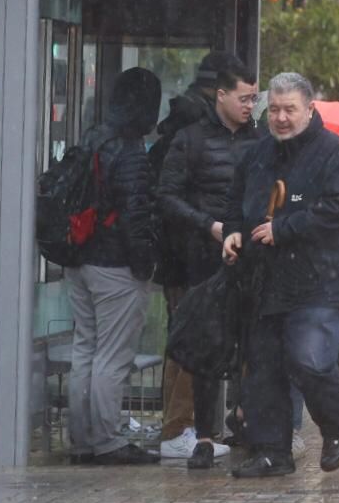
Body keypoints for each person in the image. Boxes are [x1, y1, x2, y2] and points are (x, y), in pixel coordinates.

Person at [223, 72, 339, 478]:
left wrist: (285, 229)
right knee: (263, 368)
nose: (281, 118)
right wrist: (232, 230)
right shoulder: (258, 152)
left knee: (308, 359)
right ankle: (272, 451)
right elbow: (236, 201)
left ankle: (337, 425)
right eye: (275, 110)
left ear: (309, 109)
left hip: (320, 280)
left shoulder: (334, 153)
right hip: (265, 281)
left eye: (290, 110)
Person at [157, 57, 260, 468]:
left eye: (255, 98)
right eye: (244, 98)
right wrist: (209, 226)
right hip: (201, 258)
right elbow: (166, 197)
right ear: (220, 95)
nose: (251, 105)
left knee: (252, 343)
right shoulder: (191, 139)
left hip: (250, 258)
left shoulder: (260, 140)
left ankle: (248, 420)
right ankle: (194, 431)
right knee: (199, 346)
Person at [66, 67, 161, 466]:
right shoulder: (131, 150)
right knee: (112, 356)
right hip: (114, 266)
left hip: (80, 259)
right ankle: (107, 441)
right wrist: (145, 265)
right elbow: (136, 215)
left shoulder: (93, 138)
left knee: (85, 349)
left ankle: (83, 441)